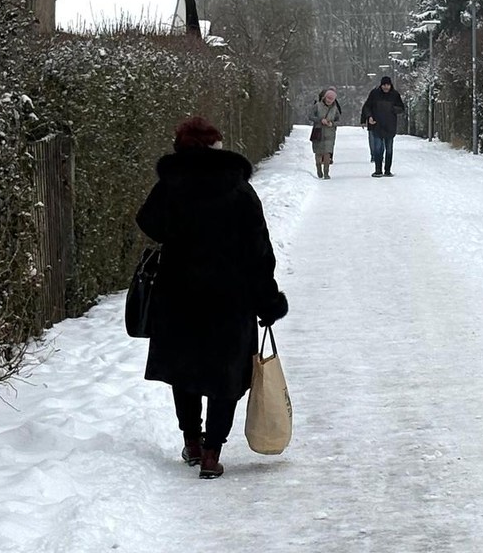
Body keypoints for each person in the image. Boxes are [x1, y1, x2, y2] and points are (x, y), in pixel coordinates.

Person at [136, 116, 290, 479]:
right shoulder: (236, 187)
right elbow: (259, 250)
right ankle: (211, 453)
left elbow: (149, 223)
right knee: (226, 376)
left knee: (184, 370)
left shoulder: (170, 185)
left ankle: (191, 441)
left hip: (179, 293)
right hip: (230, 297)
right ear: (214, 147)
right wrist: (266, 299)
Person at [358, 76, 405, 177]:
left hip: (390, 125)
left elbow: (401, 108)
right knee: (377, 148)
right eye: (384, 85)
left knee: (389, 149)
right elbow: (367, 107)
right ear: (381, 85)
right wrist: (368, 117)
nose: (386, 87)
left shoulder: (395, 95)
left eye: (388, 85)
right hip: (376, 125)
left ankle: (387, 170)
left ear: (390, 85)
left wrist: (393, 109)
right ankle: (378, 170)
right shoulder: (374, 94)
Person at [309, 87, 342, 179]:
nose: (329, 101)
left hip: (330, 133)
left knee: (327, 153)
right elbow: (310, 116)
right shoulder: (317, 106)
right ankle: (319, 169)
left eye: (331, 100)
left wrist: (332, 124)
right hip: (318, 131)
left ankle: (326, 172)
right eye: (328, 99)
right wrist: (320, 120)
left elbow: (339, 120)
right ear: (325, 97)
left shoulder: (335, 109)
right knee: (318, 153)